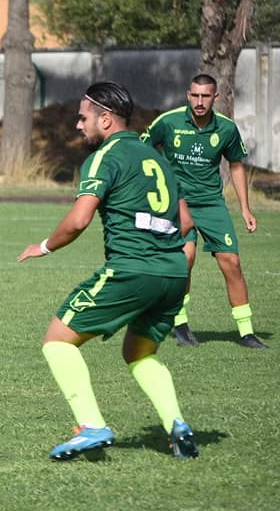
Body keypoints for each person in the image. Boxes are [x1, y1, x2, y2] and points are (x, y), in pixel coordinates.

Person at [18, 81, 199, 461]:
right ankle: (176, 424)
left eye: (83, 118)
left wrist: (45, 246)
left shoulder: (104, 157)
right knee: (139, 353)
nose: (78, 126)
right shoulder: (155, 157)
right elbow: (185, 221)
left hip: (133, 269)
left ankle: (91, 425)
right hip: (173, 272)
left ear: (105, 119)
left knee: (56, 340)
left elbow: (79, 220)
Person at [140, 74, 266, 348]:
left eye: (205, 96)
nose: (199, 102)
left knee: (231, 262)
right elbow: (142, 150)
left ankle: (246, 332)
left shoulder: (226, 128)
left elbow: (236, 165)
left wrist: (245, 208)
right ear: (188, 95)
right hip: (177, 204)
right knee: (185, 259)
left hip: (211, 204)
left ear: (215, 98)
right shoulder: (169, 121)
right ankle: (180, 325)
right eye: (195, 96)